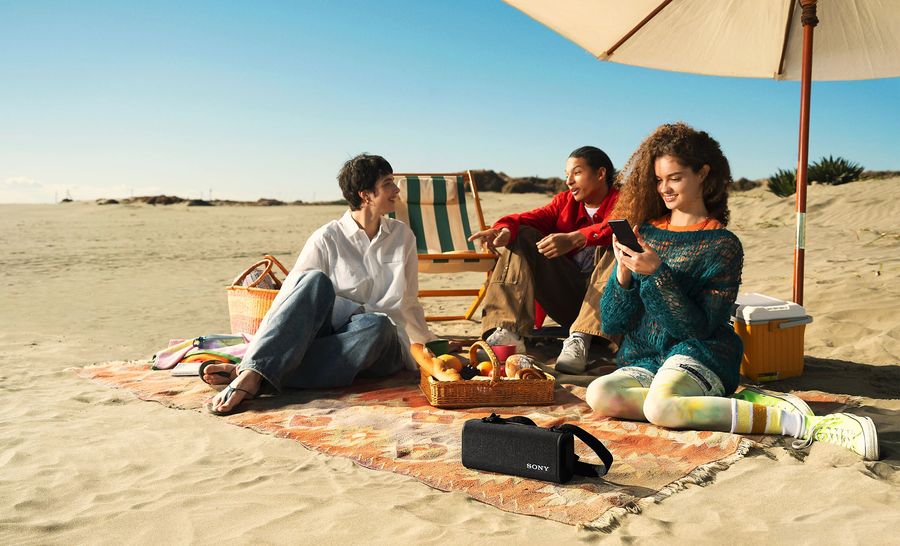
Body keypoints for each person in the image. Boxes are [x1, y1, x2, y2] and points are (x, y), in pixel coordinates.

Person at [585, 122, 878, 460]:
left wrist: (657, 273)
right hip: (649, 359)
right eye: (659, 179)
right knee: (600, 394)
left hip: (700, 352)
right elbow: (612, 321)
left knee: (661, 408)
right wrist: (623, 272)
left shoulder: (722, 245)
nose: (665, 188)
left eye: (675, 177)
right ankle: (727, 405)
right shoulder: (644, 233)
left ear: (703, 174)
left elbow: (696, 328)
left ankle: (800, 423)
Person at [204, 153, 444, 415]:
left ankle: (257, 373)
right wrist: (258, 348)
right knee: (312, 280)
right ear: (365, 195)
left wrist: (425, 348)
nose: (396, 189)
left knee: (377, 324)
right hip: (334, 334)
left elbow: (409, 300)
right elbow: (290, 298)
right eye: (388, 183)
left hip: (381, 340)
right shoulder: (326, 238)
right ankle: (255, 370)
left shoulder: (402, 236)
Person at [468, 146, 620, 374]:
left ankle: (581, 337)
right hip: (569, 299)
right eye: (566, 174)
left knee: (619, 237)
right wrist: (504, 229)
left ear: (600, 174)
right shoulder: (565, 202)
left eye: (576, 173)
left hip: (610, 309)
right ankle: (507, 331)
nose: (569, 181)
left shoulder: (625, 199)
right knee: (523, 233)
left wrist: (576, 238)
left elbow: (627, 222)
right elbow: (526, 218)